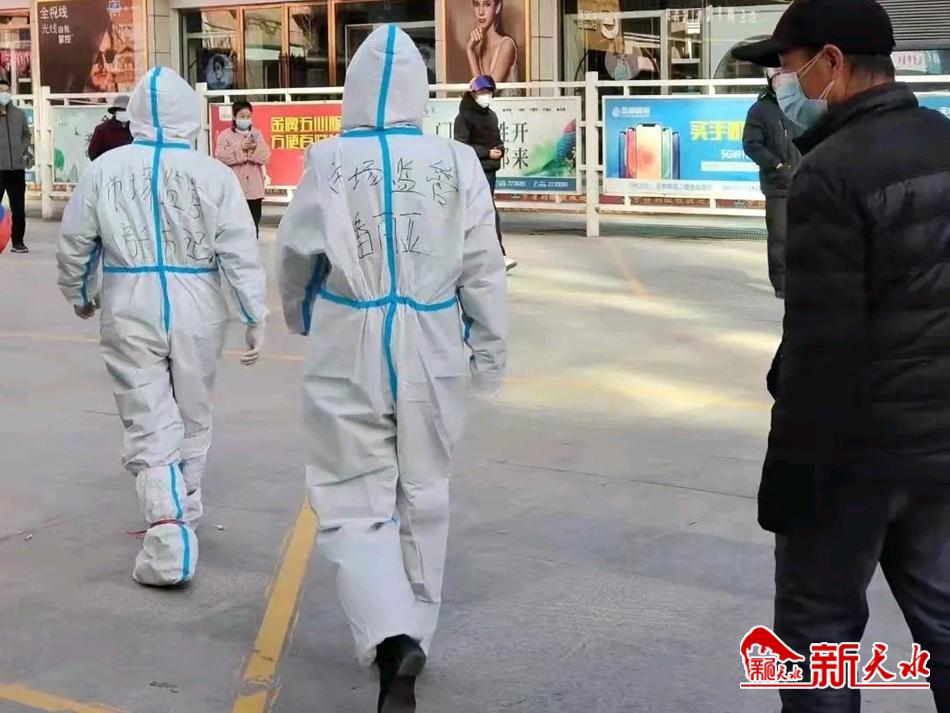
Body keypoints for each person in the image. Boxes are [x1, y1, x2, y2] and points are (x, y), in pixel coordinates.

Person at [277, 26, 507, 712]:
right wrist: (489, 349)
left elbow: (296, 254)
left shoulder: (329, 160)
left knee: (351, 492)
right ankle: (415, 634)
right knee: (425, 489)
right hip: (433, 337)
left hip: (349, 333)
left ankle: (391, 633)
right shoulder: (456, 162)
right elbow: (484, 266)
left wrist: (299, 314)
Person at [734, 0, 950, 710]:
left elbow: (822, 345)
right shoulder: (943, 140)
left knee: (817, 638)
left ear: (831, 62)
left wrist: (789, 481)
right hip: (940, 446)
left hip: (853, 458)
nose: (783, 85)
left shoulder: (829, 172)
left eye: (788, 68)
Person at [56, 67, 267, 588]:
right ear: (189, 117)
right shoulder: (212, 174)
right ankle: (182, 514)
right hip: (199, 303)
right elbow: (239, 251)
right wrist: (253, 314)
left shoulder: (104, 171)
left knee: (147, 415)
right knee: (192, 412)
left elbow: (75, 243)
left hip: (129, 300)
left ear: (137, 116)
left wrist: (80, 294)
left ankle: (167, 530)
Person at [741, 69, 801, 298]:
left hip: (806, 181)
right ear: (770, 81)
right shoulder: (760, 110)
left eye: (786, 77)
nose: (782, 82)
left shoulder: (803, 105)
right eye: (777, 78)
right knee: (780, 236)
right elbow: (752, 145)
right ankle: (782, 284)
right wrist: (777, 166)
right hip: (778, 185)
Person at [454, 75, 516, 271]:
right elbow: (461, 146)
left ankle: (481, 256)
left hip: (490, 170)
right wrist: (486, 153)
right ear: (473, 93)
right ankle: (498, 255)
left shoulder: (491, 116)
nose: (486, 95)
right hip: (473, 171)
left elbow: (497, 141)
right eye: (482, 91)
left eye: (489, 92)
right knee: (486, 212)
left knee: (482, 213)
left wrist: (500, 150)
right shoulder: (463, 117)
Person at [215, 100, 271, 236]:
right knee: (234, 224)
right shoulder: (225, 135)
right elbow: (221, 156)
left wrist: (251, 151)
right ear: (234, 117)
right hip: (234, 187)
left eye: (248, 116)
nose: (245, 119)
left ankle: (253, 246)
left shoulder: (257, 134)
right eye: (242, 116)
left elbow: (265, 156)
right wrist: (240, 148)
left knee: (254, 222)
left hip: (254, 189)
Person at [0, 79, 32, 254]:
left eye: (6, 90)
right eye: (1, 91)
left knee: (18, 208)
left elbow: (26, 135)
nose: (4, 94)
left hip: (17, 169)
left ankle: (18, 242)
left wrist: (21, 148)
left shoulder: (19, 114)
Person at [466, 0, 518, 90]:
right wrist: (470, 50)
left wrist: (470, 51)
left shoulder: (507, 45)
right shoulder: (477, 50)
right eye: (477, 5)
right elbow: (478, 91)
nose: (480, 12)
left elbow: (486, 91)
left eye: (487, 4)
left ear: (497, 7)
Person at [87, 95, 133, 160]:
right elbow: (92, 153)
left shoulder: (135, 129)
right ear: (114, 112)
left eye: (126, 110)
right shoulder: (102, 130)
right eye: (121, 110)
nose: (124, 112)